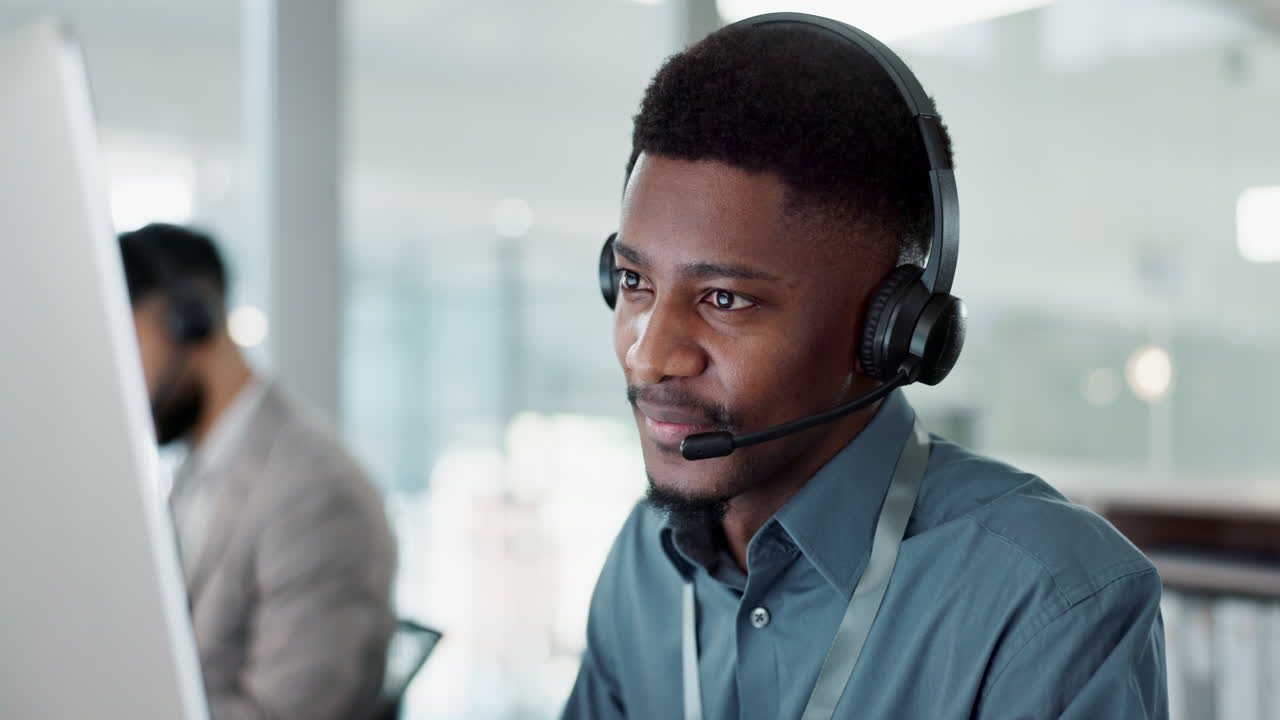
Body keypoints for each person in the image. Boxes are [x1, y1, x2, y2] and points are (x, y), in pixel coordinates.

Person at [563, 14, 1166, 720]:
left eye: (724, 299)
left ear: (891, 330)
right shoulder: (648, 559)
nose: (648, 353)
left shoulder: (1049, 601)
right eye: (635, 283)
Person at [119, 223, 396, 720]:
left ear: (191, 322)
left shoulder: (316, 490)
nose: (122, 380)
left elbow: (292, 713)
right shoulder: (193, 476)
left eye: (128, 344)